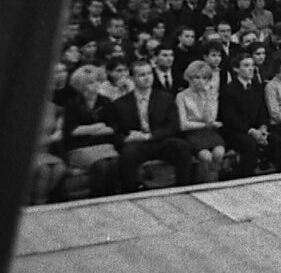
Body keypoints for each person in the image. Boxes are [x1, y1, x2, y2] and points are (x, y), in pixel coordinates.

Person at [106, 60, 192, 192]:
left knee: (182, 147)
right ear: (132, 78)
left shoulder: (165, 98)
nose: (147, 78)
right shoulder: (120, 104)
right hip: (137, 143)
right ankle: (129, 193)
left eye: (149, 73)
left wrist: (149, 136)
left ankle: (184, 189)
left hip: (159, 140)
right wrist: (125, 139)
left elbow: (173, 126)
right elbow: (116, 131)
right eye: (141, 75)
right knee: (128, 154)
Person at [62, 64, 119, 197]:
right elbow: (73, 131)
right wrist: (98, 127)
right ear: (81, 86)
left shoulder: (106, 102)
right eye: (90, 83)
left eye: (97, 81)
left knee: (115, 162)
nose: (96, 85)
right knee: (101, 165)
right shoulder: (72, 104)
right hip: (78, 148)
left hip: (104, 145)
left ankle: (113, 197)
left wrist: (87, 129)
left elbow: (113, 128)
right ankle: (96, 198)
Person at [175, 60, 226, 182]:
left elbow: (211, 118)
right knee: (206, 156)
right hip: (191, 133)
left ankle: (213, 182)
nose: (200, 81)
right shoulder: (181, 96)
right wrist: (205, 125)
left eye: (204, 78)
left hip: (209, 133)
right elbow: (183, 125)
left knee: (219, 152)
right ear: (189, 78)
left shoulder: (210, 95)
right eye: (197, 77)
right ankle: (204, 185)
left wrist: (208, 98)